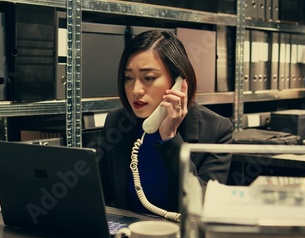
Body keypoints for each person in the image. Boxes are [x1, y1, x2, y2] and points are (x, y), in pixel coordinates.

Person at [96, 30, 234, 216]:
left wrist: (170, 138)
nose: (136, 90)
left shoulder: (217, 130)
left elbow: (203, 205)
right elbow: (98, 193)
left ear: (178, 82)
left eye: (149, 78)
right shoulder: (117, 122)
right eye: (128, 78)